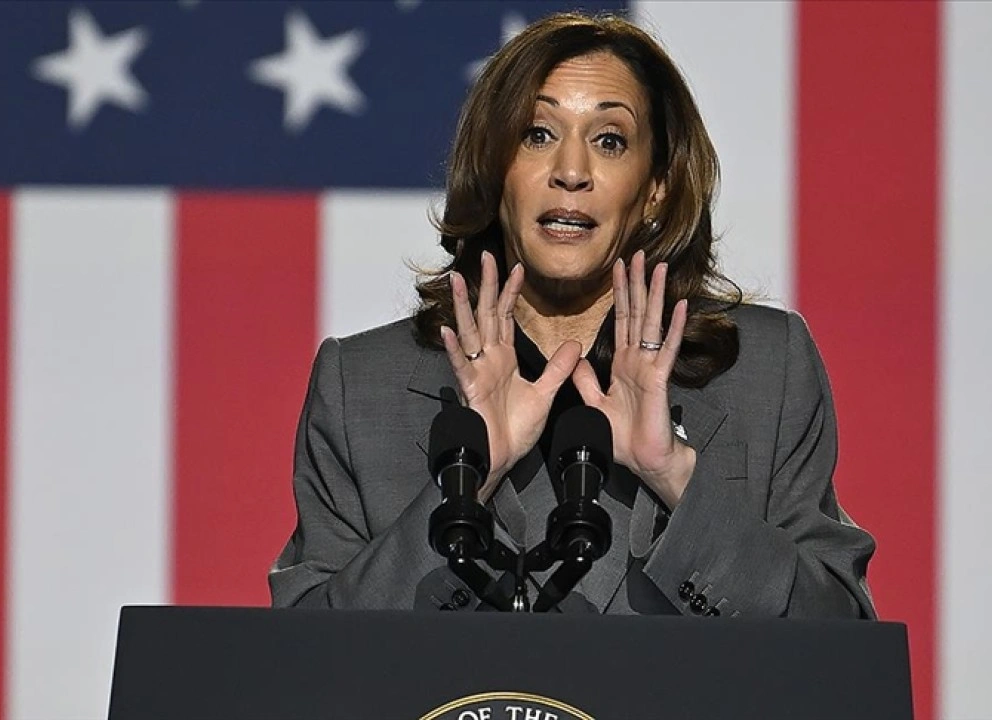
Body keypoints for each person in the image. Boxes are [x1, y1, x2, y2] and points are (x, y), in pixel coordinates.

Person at [268, 12, 875, 618]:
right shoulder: (360, 387)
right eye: (537, 134)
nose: (571, 172)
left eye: (610, 140)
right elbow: (304, 654)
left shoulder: (764, 371)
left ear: (657, 186)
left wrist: (676, 477)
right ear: (493, 166)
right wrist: (469, 486)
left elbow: (841, 638)